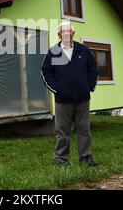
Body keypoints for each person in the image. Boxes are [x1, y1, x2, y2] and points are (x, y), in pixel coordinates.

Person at [41, 21, 99, 166]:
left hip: (83, 98)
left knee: (84, 129)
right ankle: (61, 159)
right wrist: (57, 89)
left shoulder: (83, 50)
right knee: (62, 131)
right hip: (62, 100)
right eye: (63, 31)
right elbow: (45, 72)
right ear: (59, 34)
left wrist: (89, 87)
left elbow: (93, 69)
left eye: (69, 31)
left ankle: (85, 157)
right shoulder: (53, 52)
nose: (66, 33)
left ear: (73, 34)